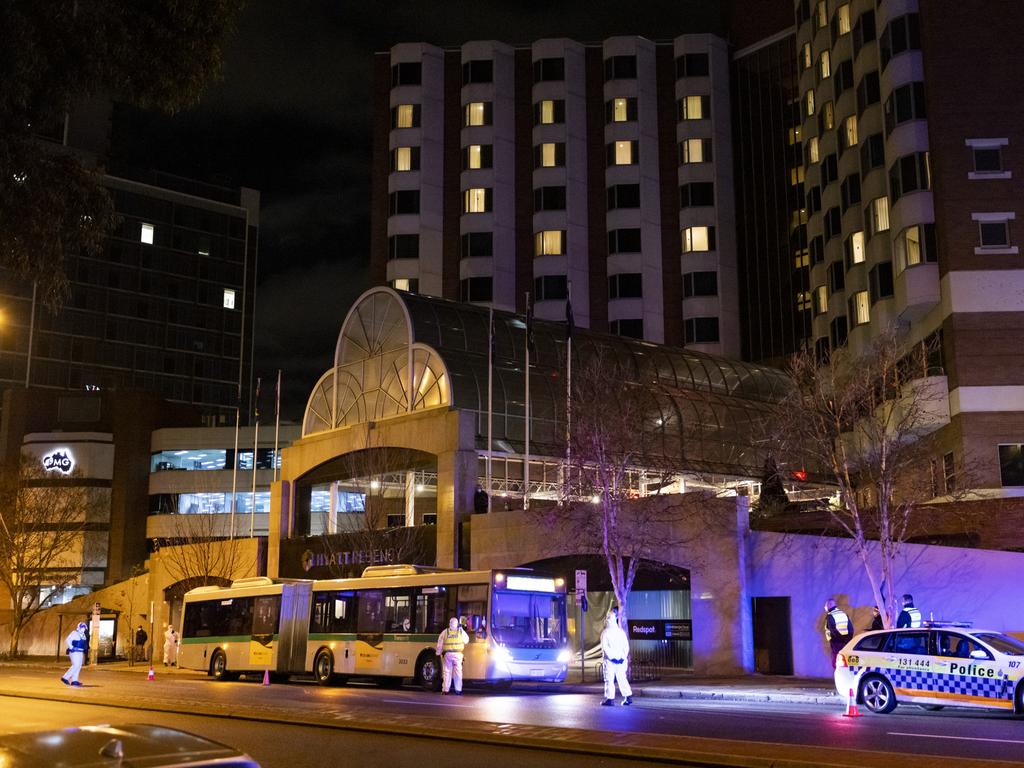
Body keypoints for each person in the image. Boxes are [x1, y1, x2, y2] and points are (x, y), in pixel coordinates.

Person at [600, 609, 632, 706]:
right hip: (621, 661)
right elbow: (626, 646)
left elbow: (605, 647)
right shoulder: (621, 632)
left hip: (610, 661)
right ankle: (628, 696)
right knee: (622, 678)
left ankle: (610, 699)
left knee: (609, 679)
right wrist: (622, 657)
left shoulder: (605, 633)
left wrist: (612, 658)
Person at [436, 617, 469, 695]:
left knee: (447, 672)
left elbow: (440, 643)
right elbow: (466, 641)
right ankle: (458, 690)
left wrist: (438, 653)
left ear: (449, 623)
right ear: (457, 624)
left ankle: (445, 690)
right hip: (458, 654)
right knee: (458, 672)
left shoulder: (445, 632)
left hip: (448, 654)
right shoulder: (460, 631)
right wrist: (462, 630)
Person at [823, 598, 852, 669]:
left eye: (825, 605)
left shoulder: (830, 616)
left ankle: (838, 675)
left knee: (837, 660)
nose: (824, 607)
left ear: (829, 605)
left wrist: (838, 639)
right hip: (846, 642)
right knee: (845, 660)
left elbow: (833, 630)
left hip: (836, 642)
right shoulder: (844, 614)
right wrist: (847, 640)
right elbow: (850, 628)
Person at [62, 621, 89, 687]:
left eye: (84, 627)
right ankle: (65, 677)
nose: (83, 629)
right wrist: (72, 647)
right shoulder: (74, 633)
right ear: (79, 627)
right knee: (76, 665)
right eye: (82, 627)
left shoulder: (83, 635)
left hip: (80, 652)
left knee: (79, 666)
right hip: (74, 652)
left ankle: (74, 681)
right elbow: (67, 640)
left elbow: (83, 643)